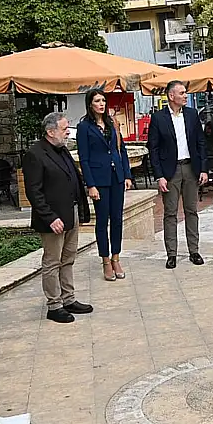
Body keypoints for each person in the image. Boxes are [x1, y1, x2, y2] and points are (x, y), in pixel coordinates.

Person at [23, 113, 92, 324]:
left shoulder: (62, 150)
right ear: (50, 132)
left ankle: (68, 298)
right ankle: (54, 305)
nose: (68, 132)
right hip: (53, 219)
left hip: (70, 212)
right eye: (64, 129)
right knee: (52, 261)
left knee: (68, 257)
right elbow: (34, 191)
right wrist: (50, 217)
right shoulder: (35, 154)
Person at [146, 80, 209, 269]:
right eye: (181, 93)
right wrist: (159, 175)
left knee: (192, 210)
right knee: (170, 213)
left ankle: (194, 250)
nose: (185, 96)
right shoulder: (158, 118)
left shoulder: (191, 115)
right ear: (171, 96)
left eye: (185, 93)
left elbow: (201, 142)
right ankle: (171, 253)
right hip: (169, 171)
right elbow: (153, 148)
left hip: (191, 168)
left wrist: (204, 168)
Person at [77, 90, 133, 282]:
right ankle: (105, 260)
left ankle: (116, 257)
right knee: (102, 221)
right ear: (90, 104)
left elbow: (121, 149)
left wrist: (127, 174)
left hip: (116, 176)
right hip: (99, 180)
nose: (101, 104)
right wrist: (90, 185)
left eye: (103, 100)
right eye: (97, 101)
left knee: (117, 219)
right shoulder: (84, 127)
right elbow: (83, 159)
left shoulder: (112, 123)